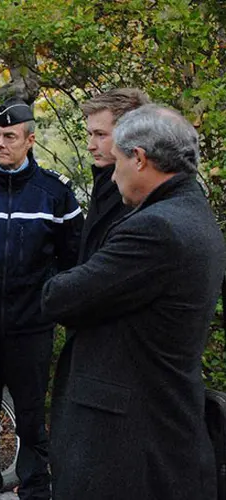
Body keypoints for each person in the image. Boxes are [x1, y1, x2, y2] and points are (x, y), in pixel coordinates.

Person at [43, 104, 223, 500]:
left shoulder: (156, 229)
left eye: (118, 160)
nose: (112, 171)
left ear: (139, 159)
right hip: (154, 423)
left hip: (127, 441)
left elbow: (61, 298)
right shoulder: (190, 213)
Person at [0, 97, 83, 500]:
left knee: (30, 420)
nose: (0, 143)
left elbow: (72, 257)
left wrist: (47, 299)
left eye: (10, 136)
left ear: (30, 140)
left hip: (32, 327)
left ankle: (36, 490)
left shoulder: (54, 193)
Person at [78, 88, 150, 263]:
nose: (90, 145)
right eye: (90, 134)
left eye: (100, 135)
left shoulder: (142, 190)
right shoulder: (104, 180)